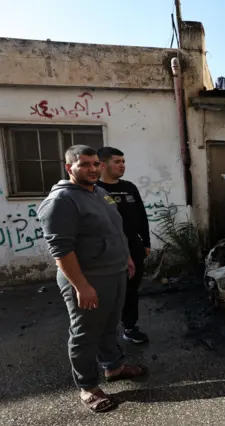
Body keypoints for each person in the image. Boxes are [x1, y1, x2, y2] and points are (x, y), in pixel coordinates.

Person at [38, 145, 147, 413]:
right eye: (84, 164)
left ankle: (114, 367)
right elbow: (61, 250)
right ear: (69, 167)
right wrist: (81, 286)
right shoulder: (61, 201)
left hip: (115, 272)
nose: (93, 169)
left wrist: (127, 259)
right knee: (85, 334)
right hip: (88, 278)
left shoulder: (99, 192)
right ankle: (87, 387)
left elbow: (115, 230)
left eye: (96, 164)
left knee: (110, 325)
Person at [97, 147, 151, 344]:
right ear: (103, 165)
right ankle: (105, 333)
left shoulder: (129, 187)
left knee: (131, 288)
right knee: (109, 291)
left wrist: (145, 242)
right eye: (117, 161)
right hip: (107, 248)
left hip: (133, 245)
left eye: (123, 161)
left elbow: (141, 215)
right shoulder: (94, 189)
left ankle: (129, 327)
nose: (122, 165)